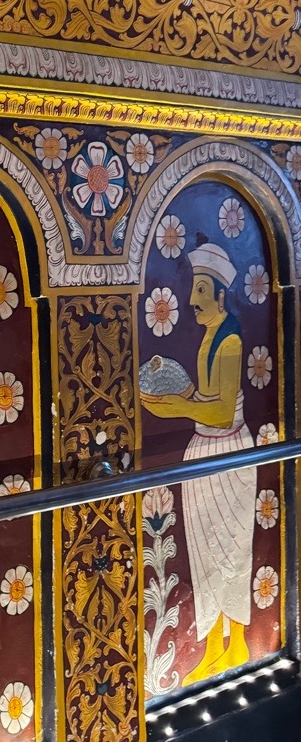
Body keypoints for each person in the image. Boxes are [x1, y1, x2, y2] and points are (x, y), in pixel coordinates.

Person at [141, 242, 256, 684]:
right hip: (205, 450)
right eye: (194, 289)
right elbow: (205, 399)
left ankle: (238, 641)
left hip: (227, 450)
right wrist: (178, 397)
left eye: (202, 291)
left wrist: (177, 407)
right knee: (206, 553)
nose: (192, 300)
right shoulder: (211, 334)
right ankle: (214, 644)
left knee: (230, 550)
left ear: (221, 296)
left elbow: (222, 412)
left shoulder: (230, 340)